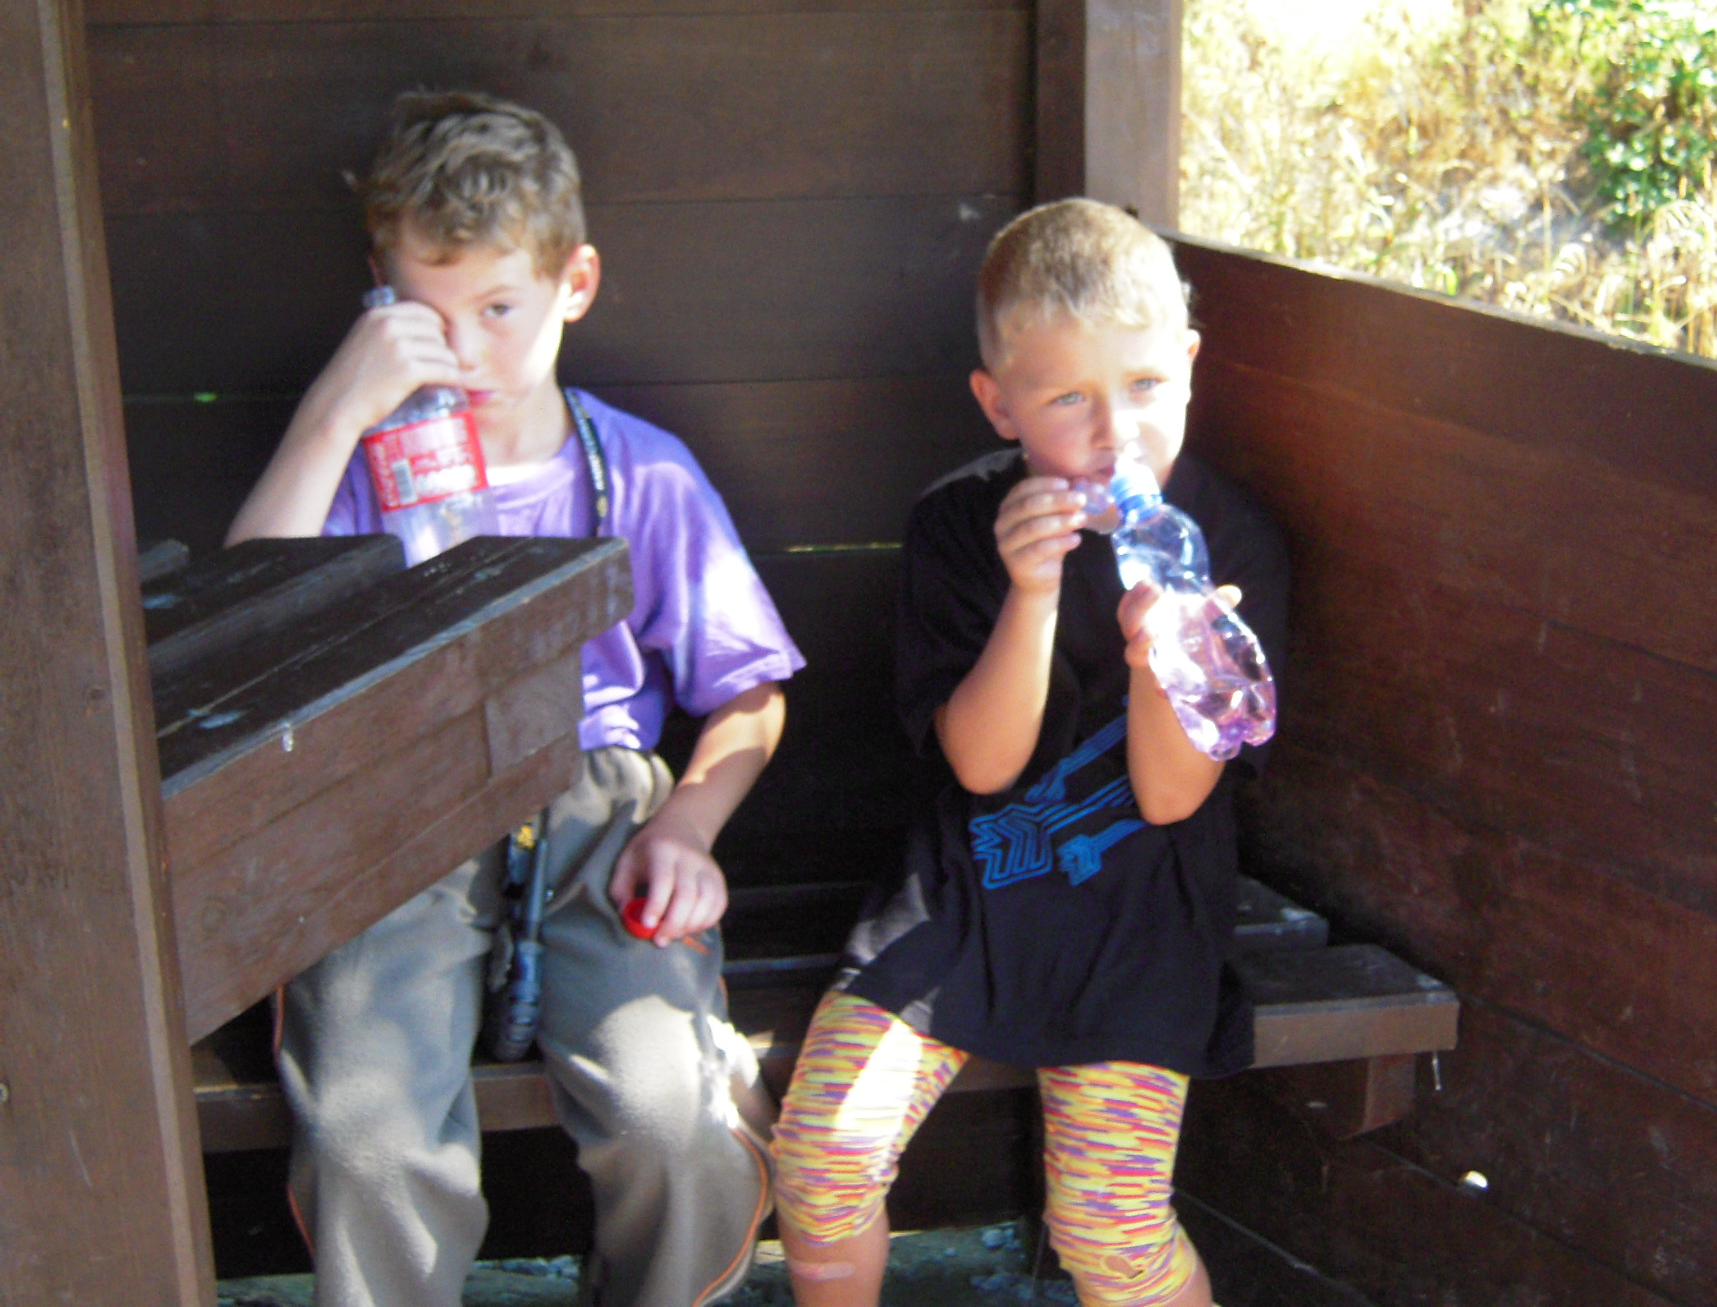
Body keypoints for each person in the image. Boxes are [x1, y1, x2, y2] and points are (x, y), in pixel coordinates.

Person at [227, 90, 803, 1307]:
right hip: (396, 819)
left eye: (498, 309)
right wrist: (337, 410)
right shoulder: (358, 469)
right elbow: (247, 627)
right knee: (368, 1141)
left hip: (598, 817)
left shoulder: (638, 473)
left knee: (672, 1117)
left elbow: (748, 693)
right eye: (422, 318)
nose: (465, 352)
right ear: (376, 303)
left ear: (572, 284)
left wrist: (687, 825)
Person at [768, 198, 1289, 1307]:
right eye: (1068, 400)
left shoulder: (1231, 542)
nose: (1116, 433)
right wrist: (1032, 592)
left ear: (1190, 365)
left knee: (1108, 1231)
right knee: (820, 1161)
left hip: (1141, 916)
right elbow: (981, 767)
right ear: (998, 404)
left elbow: (1168, 797)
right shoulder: (963, 524)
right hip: (964, 897)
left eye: (1144, 386)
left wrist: (1160, 659)